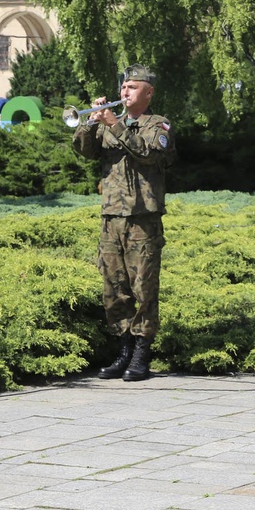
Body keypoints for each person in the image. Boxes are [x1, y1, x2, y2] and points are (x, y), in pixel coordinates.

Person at [73, 65, 175, 382]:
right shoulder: (108, 123)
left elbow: (146, 152)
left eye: (132, 87)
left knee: (143, 287)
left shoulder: (157, 125)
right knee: (114, 288)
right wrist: (92, 123)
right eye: (123, 87)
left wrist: (114, 124)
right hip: (111, 217)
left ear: (148, 92)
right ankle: (124, 351)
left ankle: (142, 354)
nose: (124, 92)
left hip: (142, 218)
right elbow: (82, 150)